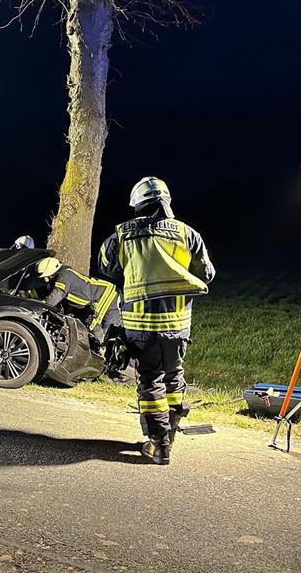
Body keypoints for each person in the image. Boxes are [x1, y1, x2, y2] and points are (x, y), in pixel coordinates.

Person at [98, 177, 215, 465]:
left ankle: (159, 445)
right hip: (177, 326)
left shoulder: (121, 236)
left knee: (151, 381)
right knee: (173, 377)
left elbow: (106, 268)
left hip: (140, 326)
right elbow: (206, 274)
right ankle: (169, 436)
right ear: (167, 201)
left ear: (137, 203)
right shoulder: (188, 234)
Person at [37, 257, 118, 344]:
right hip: (105, 296)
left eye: (46, 277)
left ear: (50, 271)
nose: (46, 280)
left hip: (106, 298)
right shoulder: (66, 274)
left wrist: (38, 310)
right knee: (100, 330)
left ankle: (102, 348)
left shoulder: (64, 277)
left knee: (97, 329)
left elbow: (55, 296)